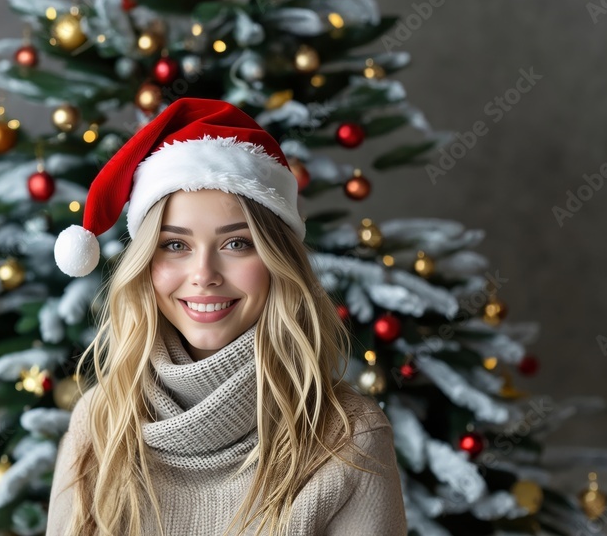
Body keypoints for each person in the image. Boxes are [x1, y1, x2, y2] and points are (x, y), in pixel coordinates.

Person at [47, 98, 407, 536]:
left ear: (277, 260)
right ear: (145, 263)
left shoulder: (351, 439)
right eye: (175, 245)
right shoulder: (99, 420)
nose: (204, 275)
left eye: (236, 243)